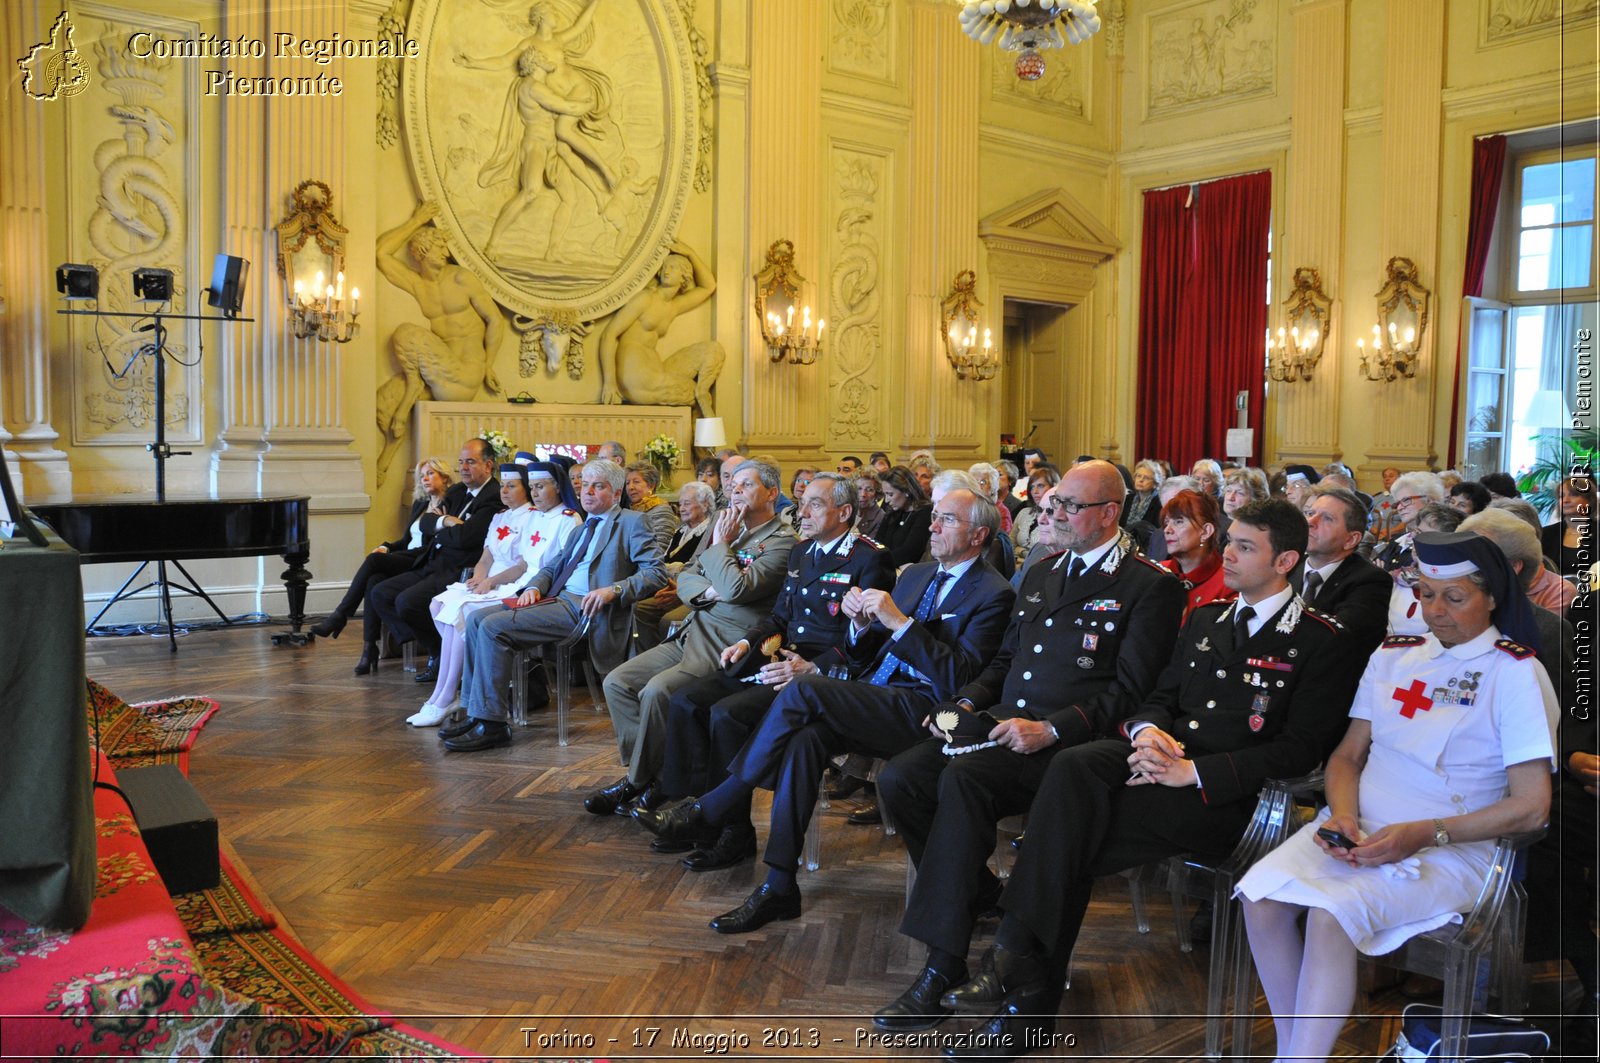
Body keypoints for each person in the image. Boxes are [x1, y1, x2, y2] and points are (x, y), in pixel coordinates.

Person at [943, 500, 1359, 1060]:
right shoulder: (1208, 617)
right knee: (1074, 765)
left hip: (1227, 797)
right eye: (1229, 541)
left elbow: (1301, 750)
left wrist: (1194, 772)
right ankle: (1019, 985)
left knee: (1070, 835)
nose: (1227, 554)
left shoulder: (1320, 639)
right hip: (1160, 762)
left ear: (1285, 560)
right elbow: (1160, 697)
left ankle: (1019, 982)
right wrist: (1146, 733)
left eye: (1244, 547)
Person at [872, 461, 1185, 1031]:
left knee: (963, 780)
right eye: (1054, 503)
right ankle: (979, 895)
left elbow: (1132, 693)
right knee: (901, 778)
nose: (1053, 513)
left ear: (1109, 514)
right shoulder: (1042, 570)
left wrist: (1055, 727)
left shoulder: (1149, 584)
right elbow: (1006, 661)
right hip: (1003, 723)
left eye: (1069, 506)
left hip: (1071, 745)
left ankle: (941, 965)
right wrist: (963, 703)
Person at [1237, 532, 1557, 1063]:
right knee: (1260, 899)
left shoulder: (1516, 673)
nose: (1436, 611)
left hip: (1451, 847)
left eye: (1454, 597)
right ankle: (1294, 1052)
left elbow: (1531, 805)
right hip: (1359, 828)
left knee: (1328, 915)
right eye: (1425, 594)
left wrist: (1423, 833)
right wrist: (1342, 814)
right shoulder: (1394, 657)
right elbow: (1346, 757)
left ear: (1493, 596)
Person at [635, 488, 1015, 933]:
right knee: (804, 739)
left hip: (927, 712)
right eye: (934, 517)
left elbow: (960, 679)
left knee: (805, 690)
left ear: (979, 535)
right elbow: (862, 656)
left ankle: (715, 805)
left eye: (946, 520)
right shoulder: (918, 576)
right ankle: (779, 885)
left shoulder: (994, 592)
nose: (932, 526)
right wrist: (859, 624)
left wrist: (899, 623)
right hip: (876, 695)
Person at [649, 473, 896, 870]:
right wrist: (747, 642)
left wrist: (815, 666)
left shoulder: (869, 557)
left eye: (815, 504)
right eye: (804, 503)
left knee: (727, 715)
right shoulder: (802, 552)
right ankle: (694, 814)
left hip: (820, 673)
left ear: (845, 512)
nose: (803, 511)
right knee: (687, 700)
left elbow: (873, 640)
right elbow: (780, 616)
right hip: (780, 657)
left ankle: (734, 833)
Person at [590, 460, 796, 815]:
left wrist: (720, 547)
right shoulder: (724, 525)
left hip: (726, 643)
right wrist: (708, 593)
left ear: (772, 494)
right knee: (618, 682)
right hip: (692, 629)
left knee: (657, 692)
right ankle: (652, 774)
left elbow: (737, 587)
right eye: (734, 484)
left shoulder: (782, 541)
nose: (736, 490)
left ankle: (637, 783)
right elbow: (687, 576)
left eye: (747, 485)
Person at [439, 459, 667, 752]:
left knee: (493, 627)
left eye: (598, 486)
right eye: (585, 485)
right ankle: (476, 713)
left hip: (587, 609)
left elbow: (655, 573)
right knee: (475, 619)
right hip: (556, 600)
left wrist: (614, 590)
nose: (588, 492)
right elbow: (553, 566)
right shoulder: (583, 527)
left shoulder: (632, 522)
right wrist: (534, 586)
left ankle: (492, 725)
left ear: (617, 491)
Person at [409, 459, 582, 727]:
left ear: (558, 488)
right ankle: (446, 693)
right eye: (533, 487)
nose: (535, 492)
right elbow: (522, 562)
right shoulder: (536, 516)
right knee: (445, 609)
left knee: (463, 614)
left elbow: (556, 568)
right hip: (522, 580)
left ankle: (449, 695)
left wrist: (502, 583)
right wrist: (483, 578)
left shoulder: (568, 520)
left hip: (537, 590)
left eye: (539, 487)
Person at [373, 208, 507, 486]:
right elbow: (381, 253)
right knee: (385, 400)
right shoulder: (417, 283)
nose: (445, 252)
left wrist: (487, 365)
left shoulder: (461, 279)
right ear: (421, 252)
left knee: (407, 334)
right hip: (440, 373)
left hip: (465, 373)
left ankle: (413, 386)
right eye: (438, 247)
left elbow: (494, 320)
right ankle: (386, 459)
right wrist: (416, 221)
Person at [364, 439, 505, 677]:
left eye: (471, 462)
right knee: (381, 592)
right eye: (461, 462)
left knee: (407, 602)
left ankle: (442, 655)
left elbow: (468, 538)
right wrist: (447, 522)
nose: (463, 468)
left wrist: (443, 530)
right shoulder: (459, 490)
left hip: (457, 570)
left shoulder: (493, 495)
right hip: (432, 561)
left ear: (488, 465)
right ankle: (439, 649)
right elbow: (428, 523)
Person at [310, 457, 453, 641]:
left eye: (430, 473)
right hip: (408, 556)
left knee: (374, 561)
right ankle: (369, 650)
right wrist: (386, 547)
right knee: (374, 579)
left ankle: (340, 616)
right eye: (422, 475)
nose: (424, 479)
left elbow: (433, 545)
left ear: (445, 477)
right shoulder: (421, 504)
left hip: (422, 560)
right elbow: (406, 540)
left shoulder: (449, 506)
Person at [597, 240, 724, 415]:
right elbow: (609, 335)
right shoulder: (646, 299)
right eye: (665, 267)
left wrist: (690, 253)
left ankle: (701, 395)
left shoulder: (674, 306)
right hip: (635, 377)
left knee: (713, 350)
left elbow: (708, 286)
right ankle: (701, 410)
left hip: (656, 369)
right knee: (692, 393)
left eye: (673, 267)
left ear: (684, 277)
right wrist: (609, 382)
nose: (667, 270)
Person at [1299, 485, 1393, 655]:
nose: (1310, 522)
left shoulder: (1371, 581)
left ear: (1351, 539)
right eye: (1310, 513)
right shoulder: (1284, 567)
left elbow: (1339, 639)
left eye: (1327, 518)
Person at [631, 479, 717, 653]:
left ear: (705, 505)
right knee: (634, 606)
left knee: (664, 618)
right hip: (667, 583)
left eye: (687, 503)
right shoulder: (681, 530)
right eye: (680, 504)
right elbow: (664, 559)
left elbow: (700, 567)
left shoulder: (711, 532)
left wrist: (675, 580)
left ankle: (664, 658)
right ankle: (646, 655)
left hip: (690, 588)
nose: (682, 508)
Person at [1157, 488, 1234, 619]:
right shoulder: (1158, 572)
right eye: (1166, 522)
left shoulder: (1228, 582)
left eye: (1178, 521)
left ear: (1205, 531)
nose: (1167, 530)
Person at [1368, 470, 1446, 573]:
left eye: (1406, 500)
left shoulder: (1442, 541)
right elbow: (1374, 571)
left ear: (1429, 500)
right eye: (1397, 503)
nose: (1400, 507)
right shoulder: (1398, 541)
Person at [876, 465, 933, 568]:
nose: (887, 500)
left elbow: (909, 552)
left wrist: (877, 561)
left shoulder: (925, 512)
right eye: (885, 494)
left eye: (890, 494)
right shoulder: (893, 511)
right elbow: (877, 544)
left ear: (906, 491)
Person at [1541, 474, 1595, 580]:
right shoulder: (1546, 534)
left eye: (1573, 495)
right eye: (1561, 496)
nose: (1566, 500)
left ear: (1589, 500)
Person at [1009, 465, 1062, 567]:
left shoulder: (1059, 517)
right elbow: (1010, 544)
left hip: (1042, 568)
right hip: (1015, 567)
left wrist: (1021, 551)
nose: (1035, 491)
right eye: (1032, 487)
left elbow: (1050, 554)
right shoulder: (1024, 512)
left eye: (1040, 486)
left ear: (1054, 486)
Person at [623, 462, 680, 551]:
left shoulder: (661, 510)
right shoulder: (628, 510)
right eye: (627, 483)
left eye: (636, 482)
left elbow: (661, 547)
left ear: (651, 486)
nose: (630, 487)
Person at [1123, 459, 1164, 527]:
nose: (1141, 480)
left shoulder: (1159, 503)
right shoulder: (1127, 499)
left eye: (1146, 478)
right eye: (1138, 476)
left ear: (1155, 483)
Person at [853, 474, 885, 539]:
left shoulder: (881, 517)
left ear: (877, 493)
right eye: (859, 488)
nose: (863, 494)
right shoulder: (846, 510)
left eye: (869, 490)